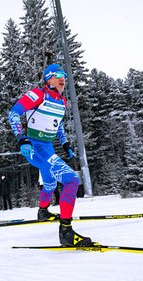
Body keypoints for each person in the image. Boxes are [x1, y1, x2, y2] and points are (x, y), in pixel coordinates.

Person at [8, 63, 94, 247]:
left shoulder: (62, 101)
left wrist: (64, 143)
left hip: (48, 147)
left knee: (50, 183)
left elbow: (58, 124)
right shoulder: (38, 94)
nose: (63, 78)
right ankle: (66, 232)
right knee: (71, 180)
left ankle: (43, 212)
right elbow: (14, 114)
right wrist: (22, 139)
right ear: (49, 79)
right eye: (58, 74)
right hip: (35, 148)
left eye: (64, 74)